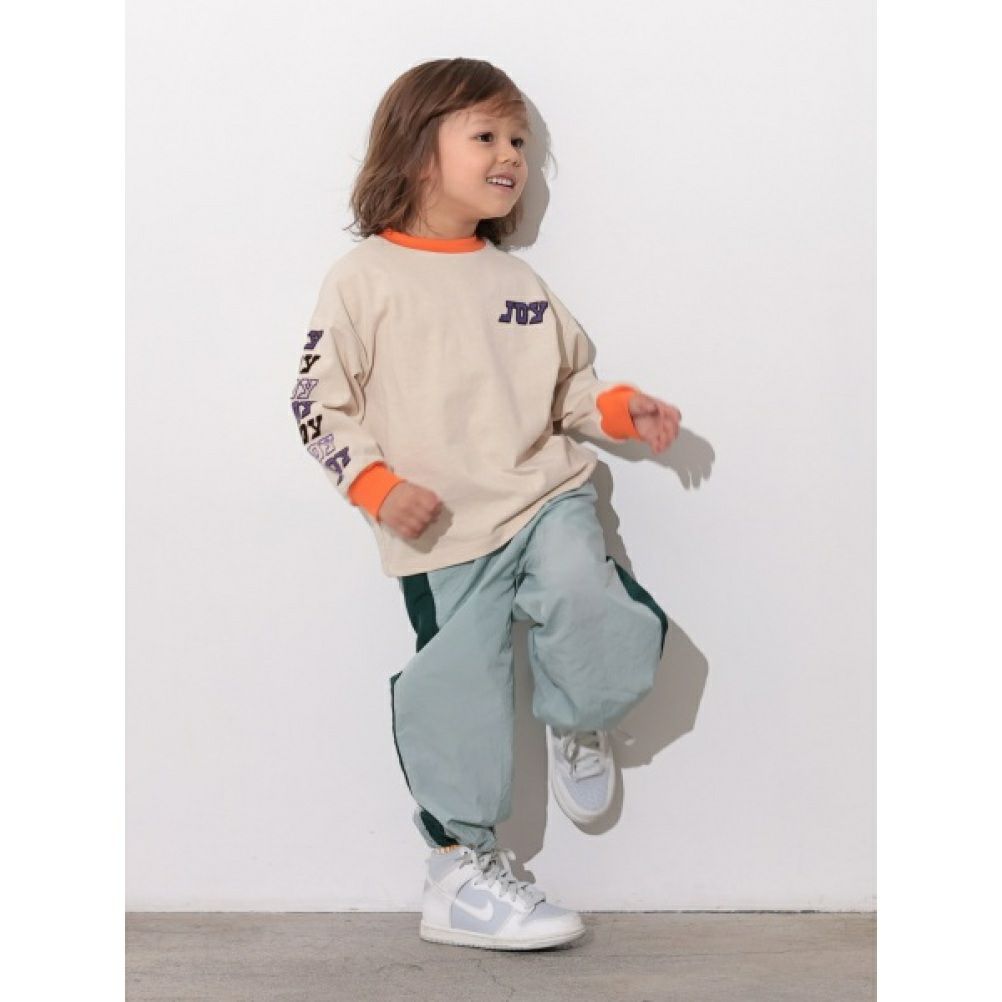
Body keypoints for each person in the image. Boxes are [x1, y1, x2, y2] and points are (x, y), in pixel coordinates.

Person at [290, 58, 681, 951]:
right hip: (442, 528)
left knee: (588, 597)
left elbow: (568, 387)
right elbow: (316, 402)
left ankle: (579, 714)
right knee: (457, 687)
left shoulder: (517, 283)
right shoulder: (363, 279)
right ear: (416, 150)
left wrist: (620, 409)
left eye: (520, 142)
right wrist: (376, 487)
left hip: (544, 496)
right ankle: (459, 874)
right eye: (487, 136)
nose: (512, 157)